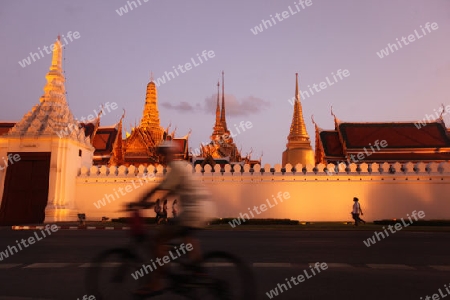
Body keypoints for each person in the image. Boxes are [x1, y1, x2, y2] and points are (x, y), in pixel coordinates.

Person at [132, 140, 214, 296]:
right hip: (205, 208)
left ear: (168, 154)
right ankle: (199, 271)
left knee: (158, 240)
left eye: (163, 154)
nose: (162, 158)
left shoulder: (176, 167)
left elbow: (159, 188)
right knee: (188, 235)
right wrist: (150, 202)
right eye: (161, 155)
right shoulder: (183, 166)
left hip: (193, 212)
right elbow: (167, 191)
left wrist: (141, 202)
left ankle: (156, 284)